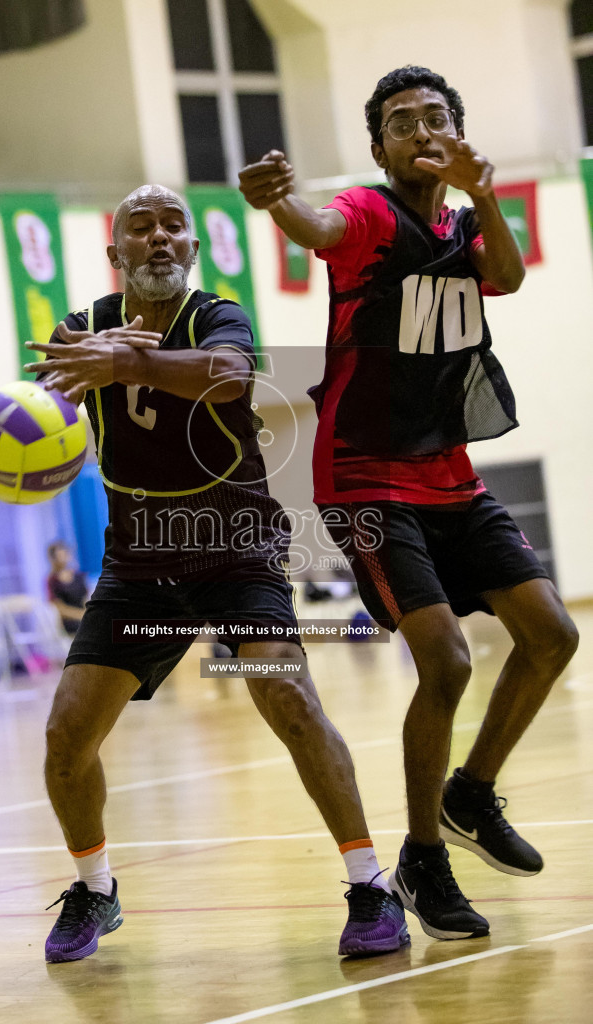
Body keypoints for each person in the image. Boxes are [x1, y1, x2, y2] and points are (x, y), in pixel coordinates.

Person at [24, 184, 410, 964]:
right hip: (138, 564)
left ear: (193, 250)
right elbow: (46, 411)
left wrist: (126, 360)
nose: (160, 238)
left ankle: (370, 885)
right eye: (141, 227)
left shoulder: (218, 315)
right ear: (116, 253)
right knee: (67, 731)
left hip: (234, 548)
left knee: (288, 696)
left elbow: (227, 377)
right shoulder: (80, 331)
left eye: (174, 227)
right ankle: (94, 889)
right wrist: (27, 430)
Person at [238, 65, 579, 941]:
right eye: (400, 123)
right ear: (380, 148)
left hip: (450, 477)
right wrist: (277, 202)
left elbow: (505, 276)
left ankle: (469, 794)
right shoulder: (363, 215)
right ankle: (422, 856)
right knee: (448, 658)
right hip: (362, 476)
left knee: (551, 633)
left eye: (435, 117)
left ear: (457, 132)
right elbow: (314, 224)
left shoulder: (466, 228)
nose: (419, 131)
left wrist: (486, 196)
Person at [46, 541, 88, 635]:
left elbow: (86, 599)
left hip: (84, 615)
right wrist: (81, 615)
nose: (63, 558)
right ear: (53, 559)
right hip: (70, 620)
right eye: (60, 556)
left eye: (65, 554)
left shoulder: (78, 576)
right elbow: (60, 609)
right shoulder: (53, 581)